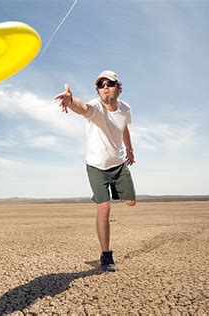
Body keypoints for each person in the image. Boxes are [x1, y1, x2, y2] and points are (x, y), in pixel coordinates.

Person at [54, 70, 136, 272]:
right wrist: (71, 100)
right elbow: (83, 108)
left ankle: (116, 187)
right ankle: (106, 256)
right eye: (101, 85)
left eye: (109, 83)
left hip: (118, 165)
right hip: (96, 167)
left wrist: (130, 150)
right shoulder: (96, 108)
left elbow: (124, 127)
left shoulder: (125, 109)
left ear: (118, 87)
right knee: (104, 208)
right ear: (98, 91)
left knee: (131, 202)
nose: (105, 86)